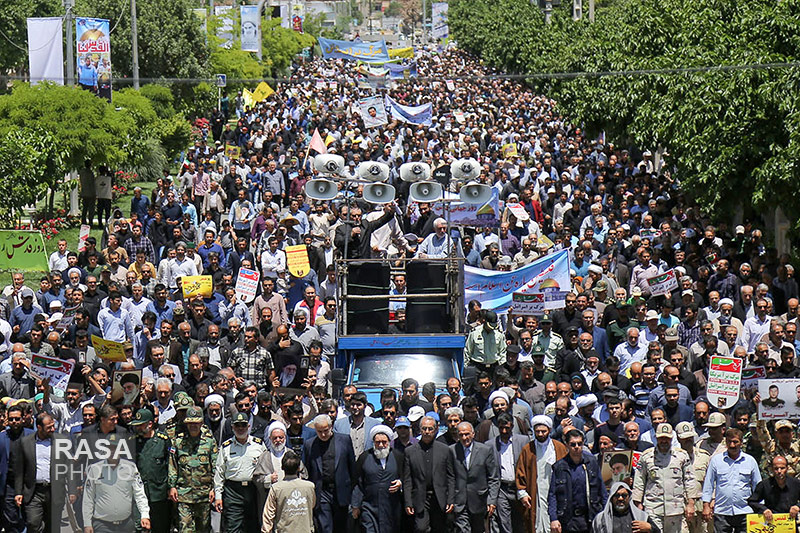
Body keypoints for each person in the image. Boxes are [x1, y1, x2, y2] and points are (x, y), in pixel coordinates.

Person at [632, 423, 697, 533]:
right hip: (653, 508)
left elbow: (689, 480)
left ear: (672, 438)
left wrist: (691, 504)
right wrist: (638, 505)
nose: (664, 441)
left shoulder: (681, 456)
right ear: (656, 438)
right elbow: (639, 481)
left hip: (676, 509)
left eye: (666, 438)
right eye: (661, 438)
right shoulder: (646, 456)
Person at [213, 412, 266, 533]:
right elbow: (219, 473)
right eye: (237, 425)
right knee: (233, 527)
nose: (240, 428)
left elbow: (266, 466)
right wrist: (218, 497)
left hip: (253, 490)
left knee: (253, 526)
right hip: (233, 491)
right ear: (232, 427)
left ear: (248, 426)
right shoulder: (226, 447)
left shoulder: (259, 445)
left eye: (243, 425)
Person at [82, 442, 151, 533]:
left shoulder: (130, 468)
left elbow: (139, 493)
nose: (112, 451)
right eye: (109, 448)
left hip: (126, 524)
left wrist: (145, 514)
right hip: (102, 525)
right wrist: (87, 523)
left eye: (115, 448)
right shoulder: (95, 469)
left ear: (121, 449)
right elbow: (88, 498)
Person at [168, 406, 218, 533]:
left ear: (201, 423)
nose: (193, 426)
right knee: (185, 528)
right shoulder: (178, 442)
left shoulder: (209, 442)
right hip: (183, 493)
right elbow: (173, 465)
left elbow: (215, 467)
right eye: (190, 423)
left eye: (196, 423)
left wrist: (214, 488)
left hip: (204, 494)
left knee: (203, 528)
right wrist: (172, 486)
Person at [303, 414, 356, 533]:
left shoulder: (345, 440)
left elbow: (352, 467)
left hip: (341, 491)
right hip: (322, 492)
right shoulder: (309, 445)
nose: (322, 434)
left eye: (325, 431)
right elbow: (307, 471)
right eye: (319, 431)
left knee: (341, 527)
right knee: (325, 527)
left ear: (331, 427)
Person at [701, 428, 761, 533]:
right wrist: (706, 505)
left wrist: (760, 507)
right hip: (722, 511)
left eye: (735, 442)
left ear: (741, 443)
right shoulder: (716, 461)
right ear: (725, 442)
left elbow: (758, 486)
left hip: (745, 510)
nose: (732, 445)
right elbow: (708, 485)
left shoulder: (750, 461)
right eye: (729, 442)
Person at [516, 415, 568, 533]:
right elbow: (520, 472)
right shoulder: (527, 449)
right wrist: (522, 493)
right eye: (537, 431)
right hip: (536, 492)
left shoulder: (559, 447)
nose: (540, 434)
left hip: (555, 490)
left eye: (543, 431)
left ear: (549, 430)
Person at [13, 413, 64, 533]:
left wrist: (72, 489)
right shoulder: (25, 442)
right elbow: (19, 469)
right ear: (39, 428)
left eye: (53, 426)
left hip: (53, 491)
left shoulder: (61, 441)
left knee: (53, 526)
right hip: (34, 491)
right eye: (49, 427)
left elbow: (68, 466)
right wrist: (18, 492)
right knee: (33, 523)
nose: (53, 429)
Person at [548, 429, 606, 533]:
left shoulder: (591, 462)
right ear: (566, 445)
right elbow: (552, 495)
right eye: (573, 444)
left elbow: (602, 489)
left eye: (579, 444)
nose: (576, 447)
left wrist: (606, 512)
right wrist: (553, 518)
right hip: (568, 519)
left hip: (590, 517)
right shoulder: (560, 467)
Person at [447, 421, 499, 533]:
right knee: (463, 529)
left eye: (467, 434)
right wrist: (450, 499)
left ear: (473, 434)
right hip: (460, 500)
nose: (464, 437)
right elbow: (450, 477)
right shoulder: (452, 450)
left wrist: (492, 500)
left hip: (479, 500)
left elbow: (493, 477)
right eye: (461, 435)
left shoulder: (485, 450)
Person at [351, 425, 405, 532]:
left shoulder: (398, 456)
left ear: (389, 441)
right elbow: (358, 483)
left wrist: (400, 483)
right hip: (369, 507)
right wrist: (355, 505)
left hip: (391, 507)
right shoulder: (365, 457)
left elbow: (406, 476)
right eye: (377, 442)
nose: (381, 445)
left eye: (384, 442)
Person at [403, 416, 450, 532]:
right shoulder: (410, 451)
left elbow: (451, 476)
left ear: (435, 430)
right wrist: (408, 501)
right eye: (424, 429)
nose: (427, 432)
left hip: (439, 497)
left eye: (430, 429)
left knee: (439, 528)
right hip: (420, 498)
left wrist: (451, 499)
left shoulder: (445, 450)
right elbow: (407, 479)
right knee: (421, 528)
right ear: (420, 430)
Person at [129, 408, 171, 533]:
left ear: (150, 424)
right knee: (140, 527)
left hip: (159, 492)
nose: (138, 428)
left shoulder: (163, 440)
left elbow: (170, 465)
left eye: (141, 425)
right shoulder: (133, 442)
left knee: (160, 527)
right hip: (140, 492)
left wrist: (170, 487)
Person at [260, 450, 316, 533]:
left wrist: (266, 531)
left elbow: (268, 513)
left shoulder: (276, 488)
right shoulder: (309, 486)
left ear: (282, 467)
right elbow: (312, 504)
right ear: (299, 468)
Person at [746, 455, 800, 525]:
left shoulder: (796, 483)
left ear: (787, 468)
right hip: (771, 524)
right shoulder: (764, 485)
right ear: (772, 469)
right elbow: (752, 501)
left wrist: (797, 506)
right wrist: (764, 510)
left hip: (790, 524)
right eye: (776, 468)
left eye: (782, 468)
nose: (779, 471)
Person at [592, 482, 660, 533]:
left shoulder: (641, 517)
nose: (620, 498)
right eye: (617, 495)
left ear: (629, 497)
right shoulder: (600, 519)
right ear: (611, 498)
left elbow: (658, 531)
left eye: (624, 495)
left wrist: (650, 528)